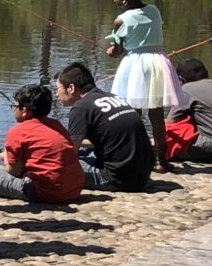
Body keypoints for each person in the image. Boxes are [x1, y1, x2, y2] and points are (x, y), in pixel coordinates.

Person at [101, 0, 183, 169]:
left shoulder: (121, 20)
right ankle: (160, 160)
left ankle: (135, 155)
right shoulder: (154, 10)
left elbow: (118, 50)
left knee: (133, 112)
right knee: (156, 114)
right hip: (157, 61)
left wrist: (112, 51)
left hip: (136, 64)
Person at [54, 62, 153, 190]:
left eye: (58, 89)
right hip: (142, 174)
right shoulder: (113, 97)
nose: (56, 95)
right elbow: (109, 138)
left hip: (117, 178)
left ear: (71, 88)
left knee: (55, 164)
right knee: (84, 152)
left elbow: (70, 153)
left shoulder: (81, 107)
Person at [0, 84, 83, 205]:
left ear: (24, 111)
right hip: (74, 190)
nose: (13, 109)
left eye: (15, 106)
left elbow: (14, 171)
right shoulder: (57, 126)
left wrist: (6, 157)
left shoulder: (18, 132)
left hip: (45, 192)